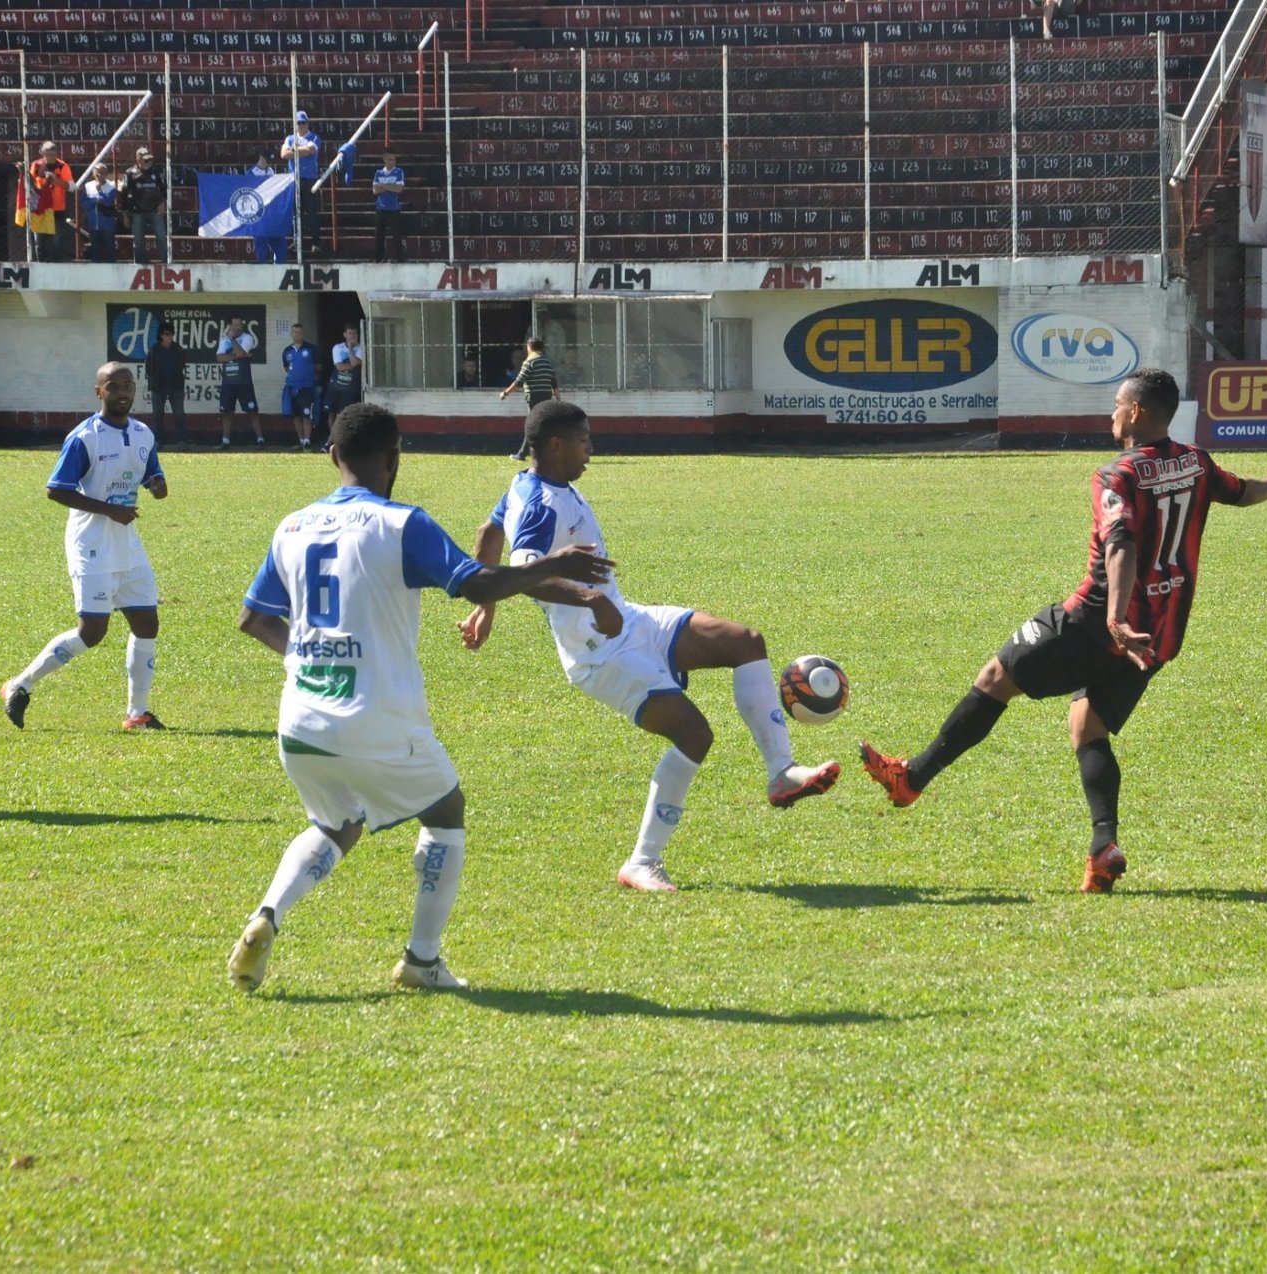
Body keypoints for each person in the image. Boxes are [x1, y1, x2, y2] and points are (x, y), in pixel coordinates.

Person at [858, 369, 1267, 892]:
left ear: (1136, 412)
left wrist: (1114, 619)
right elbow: (1244, 492)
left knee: (995, 676)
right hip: (1160, 634)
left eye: (1117, 404)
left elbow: (1121, 545)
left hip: (1096, 621)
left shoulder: (1117, 474)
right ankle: (1103, 848)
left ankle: (911, 779)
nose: (1111, 413)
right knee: (1087, 727)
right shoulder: (1195, 462)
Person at [227, 402, 618, 993]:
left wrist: (309, 658)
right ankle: (421, 960)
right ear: (395, 458)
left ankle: (268, 915)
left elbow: (254, 619)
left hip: (300, 718)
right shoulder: (400, 523)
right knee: (444, 810)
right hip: (376, 716)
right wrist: (552, 567)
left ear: (332, 456)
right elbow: (477, 583)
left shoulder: (292, 524)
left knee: (337, 822)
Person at [461, 400, 841, 892]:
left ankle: (781, 772)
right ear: (556, 445)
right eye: (584, 440)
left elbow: (488, 533)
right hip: (598, 654)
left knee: (745, 642)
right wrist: (587, 598)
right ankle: (642, 862)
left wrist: (486, 607)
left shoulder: (531, 486)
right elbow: (522, 574)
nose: (591, 451)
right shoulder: (540, 504)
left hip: (633, 621)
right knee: (695, 735)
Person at [1, 363, 168, 733]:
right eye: (114, 386)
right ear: (99, 392)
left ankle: (137, 713)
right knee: (92, 631)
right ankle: (20, 684)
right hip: (91, 543)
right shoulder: (85, 437)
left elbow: (151, 472)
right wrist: (110, 510)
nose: (123, 392)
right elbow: (56, 489)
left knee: (147, 623)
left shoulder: (143, 433)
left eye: (128, 385)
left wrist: (157, 484)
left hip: (127, 544)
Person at [215, 315, 265, 447]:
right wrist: (237, 355)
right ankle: (225, 441)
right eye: (236, 325)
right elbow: (219, 358)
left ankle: (260, 439)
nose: (239, 327)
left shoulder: (247, 338)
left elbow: (240, 352)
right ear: (230, 326)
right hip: (228, 382)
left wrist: (233, 342)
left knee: (252, 411)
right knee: (227, 412)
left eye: (240, 324)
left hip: (244, 381)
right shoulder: (223, 340)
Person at [281, 111, 322, 256]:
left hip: (309, 179)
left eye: (303, 123)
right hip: (294, 179)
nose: (301, 126)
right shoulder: (290, 138)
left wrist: (294, 150)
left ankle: (315, 242)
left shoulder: (314, 137)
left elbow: (310, 150)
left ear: (307, 123)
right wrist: (299, 151)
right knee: (294, 212)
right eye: (299, 123)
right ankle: (296, 241)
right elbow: (283, 154)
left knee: (312, 212)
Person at [280, 322, 325, 450]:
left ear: (303, 334)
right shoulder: (287, 351)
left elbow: (319, 366)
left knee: (307, 414)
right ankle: (301, 441)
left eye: (299, 332)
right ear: (291, 333)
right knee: (296, 415)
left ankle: (307, 440)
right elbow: (286, 367)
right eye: (295, 332)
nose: (297, 334)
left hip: (307, 387)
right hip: (292, 387)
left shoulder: (311, 349)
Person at [143, 322, 188, 445]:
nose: (170, 337)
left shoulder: (178, 349)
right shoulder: (154, 350)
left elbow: (182, 364)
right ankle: (158, 440)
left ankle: (182, 440)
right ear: (161, 335)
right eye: (167, 334)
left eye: (171, 334)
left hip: (176, 387)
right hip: (158, 388)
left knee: (179, 414)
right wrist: (155, 380)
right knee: (157, 415)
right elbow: (148, 368)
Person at [122, 147, 168, 266]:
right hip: (137, 212)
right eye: (145, 160)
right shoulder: (130, 173)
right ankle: (139, 264)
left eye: (150, 160)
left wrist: (162, 204)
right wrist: (125, 214)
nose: (149, 162)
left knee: (162, 237)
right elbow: (124, 194)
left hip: (155, 210)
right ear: (138, 159)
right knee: (138, 240)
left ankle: (166, 262)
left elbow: (164, 189)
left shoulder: (156, 172)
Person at [246, 148, 287, 265]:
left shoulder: (272, 172)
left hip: (273, 218)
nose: (269, 163)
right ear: (261, 158)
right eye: (267, 160)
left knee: (281, 251)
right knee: (261, 253)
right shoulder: (251, 174)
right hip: (260, 220)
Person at [37, 142, 75, 259]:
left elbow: (72, 187)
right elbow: (31, 183)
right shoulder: (36, 165)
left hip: (57, 209)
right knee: (40, 241)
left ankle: (56, 264)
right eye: (49, 154)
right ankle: (41, 264)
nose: (52, 157)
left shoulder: (62, 166)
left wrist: (56, 180)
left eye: (54, 154)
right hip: (40, 209)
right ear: (43, 153)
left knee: (56, 241)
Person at [323, 324, 363, 436]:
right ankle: (333, 437)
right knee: (331, 413)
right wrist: (353, 365)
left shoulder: (361, 348)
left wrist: (350, 348)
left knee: (342, 414)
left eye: (354, 333)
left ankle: (337, 438)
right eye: (350, 333)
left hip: (349, 388)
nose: (352, 336)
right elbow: (339, 367)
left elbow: (354, 363)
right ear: (344, 334)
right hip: (335, 386)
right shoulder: (337, 347)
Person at [78, 163, 119, 264]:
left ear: (106, 174)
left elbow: (108, 202)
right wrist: (96, 200)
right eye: (98, 173)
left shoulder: (111, 186)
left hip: (107, 225)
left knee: (110, 250)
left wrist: (99, 191)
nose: (100, 175)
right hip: (93, 225)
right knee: (95, 252)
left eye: (103, 173)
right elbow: (84, 204)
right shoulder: (88, 186)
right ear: (93, 173)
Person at [499, 338, 557, 408]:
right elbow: (554, 384)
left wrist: (505, 393)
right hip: (547, 398)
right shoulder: (548, 363)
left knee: (534, 417)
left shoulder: (529, 362)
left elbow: (519, 381)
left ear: (530, 348)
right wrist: (558, 400)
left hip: (534, 398)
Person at [371, 149, 406, 263]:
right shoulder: (378, 173)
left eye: (394, 160)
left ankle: (400, 258)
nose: (392, 162)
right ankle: (379, 258)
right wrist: (390, 186)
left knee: (397, 235)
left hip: (394, 209)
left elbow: (398, 189)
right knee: (379, 236)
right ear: (384, 159)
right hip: (380, 208)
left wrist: (384, 186)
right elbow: (375, 190)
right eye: (390, 159)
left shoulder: (399, 172)